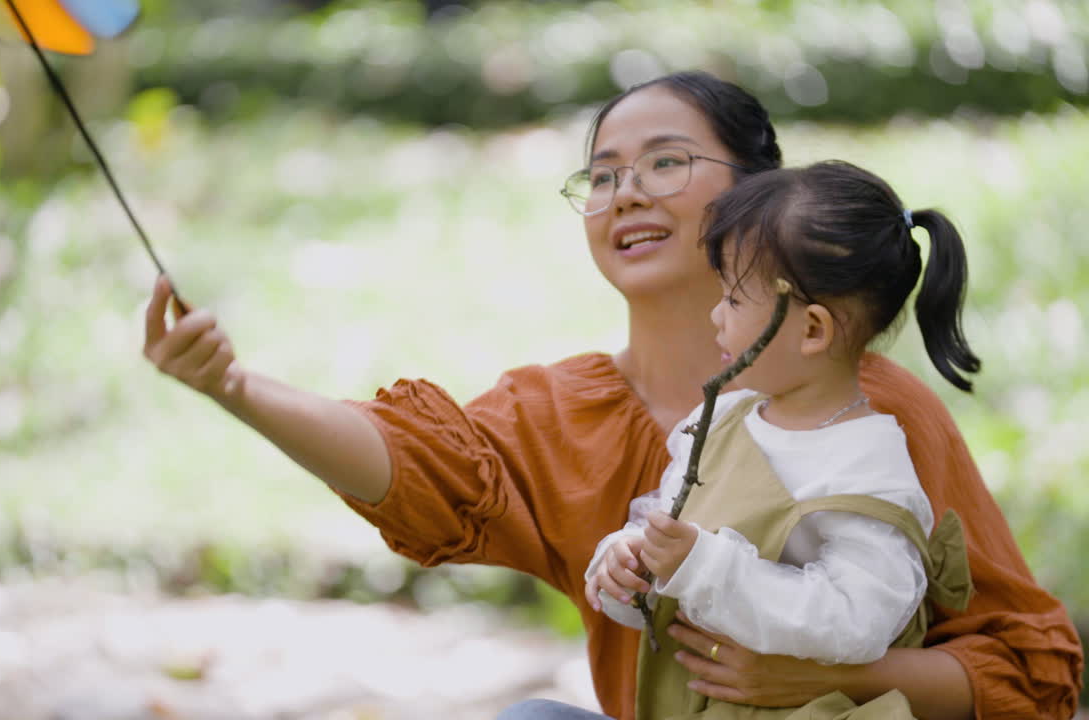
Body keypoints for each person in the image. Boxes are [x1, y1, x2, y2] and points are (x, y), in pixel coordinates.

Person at [140, 72, 1083, 719]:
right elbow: (421, 467)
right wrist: (235, 387)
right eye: (601, 175)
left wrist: (831, 669)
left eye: (666, 162)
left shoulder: (872, 411)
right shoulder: (571, 412)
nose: (625, 190)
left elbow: (1031, 666)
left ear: (760, 198)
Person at [583, 159, 979, 719]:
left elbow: (855, 620)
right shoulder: (719, 421)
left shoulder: (868, 465)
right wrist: (629, 568)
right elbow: (662, 532)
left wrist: (705, 567)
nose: (715, 315)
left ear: (813, 330)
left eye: (736, 299)